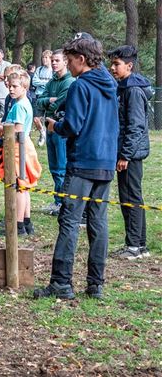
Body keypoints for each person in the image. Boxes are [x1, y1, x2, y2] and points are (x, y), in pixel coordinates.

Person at [36, 34, 118, 300]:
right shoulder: (109, 83)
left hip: (83, 162)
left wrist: (54, 126)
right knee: (98, 222)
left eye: (70, 60)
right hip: (105, 162)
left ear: (82, 59)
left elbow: (72, 125)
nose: (68, 65)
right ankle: (96, 284)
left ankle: (61, 282)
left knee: (69, 221)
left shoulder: (80, 86)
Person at [108, 45, 152, 260]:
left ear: (129, 65)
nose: (112, 68)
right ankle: (140, 244)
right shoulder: (124, 87)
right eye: (112, 64)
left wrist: (125, 155)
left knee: (130, 197)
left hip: (130, 155)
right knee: (132, 195)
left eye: (116, 64)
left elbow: (135, 127)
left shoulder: (133, 90)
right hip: (128, 152)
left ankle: (134, 246)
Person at [0, 70, 41, 236]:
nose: (11, 89)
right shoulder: (24, 102)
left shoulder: (19, 106)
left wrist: (0, 127)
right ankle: (27, 222)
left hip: (18, 149)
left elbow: (17, 132)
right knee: (24, 186)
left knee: (19, 187)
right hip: (23, 146)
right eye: (9, 86)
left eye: (15, 86)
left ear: (24, 87)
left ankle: (18, 226)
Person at [35, 50, 75, 216]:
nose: (53, 63)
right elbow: (40, 100)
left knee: (61, 167)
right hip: (49, 126)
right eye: (52, 60)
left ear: (65, 62)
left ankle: (63, 203)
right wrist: (48, 100)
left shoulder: (69, 82)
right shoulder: (52, 81)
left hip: (60, 128)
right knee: (53, 167)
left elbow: (57, 104)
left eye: (57, 60)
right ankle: (58, 200)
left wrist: (50, 102)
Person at [31, 50, 54, 146]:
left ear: (50, 59)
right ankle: (42, 133)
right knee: (36, 119)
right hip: (38, 96)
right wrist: (46, 83)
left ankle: (50, 138)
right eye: (43, 58)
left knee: (49, 119)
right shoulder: (39, 69)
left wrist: (42, 83)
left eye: (46, 58)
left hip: (49, 97)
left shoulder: (54, 70)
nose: (44, 60)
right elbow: (34, 82)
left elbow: (53, 83)